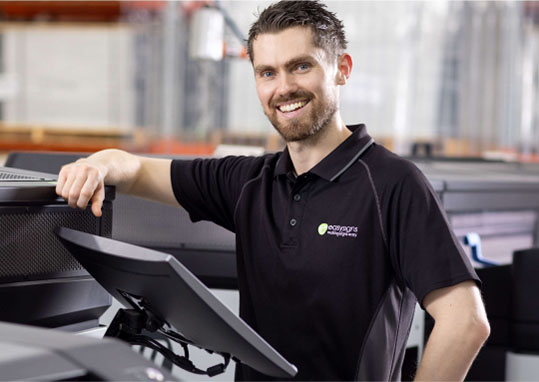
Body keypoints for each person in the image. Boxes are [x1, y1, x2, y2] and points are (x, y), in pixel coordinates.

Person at [56, 1, 489, 380]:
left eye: (301, 65)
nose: (283, 88)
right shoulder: (249, 182)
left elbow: (465, 321)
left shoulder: (393, 184)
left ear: (341, 69)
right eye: (267, 72)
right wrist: (94, 165)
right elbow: (132, 170)